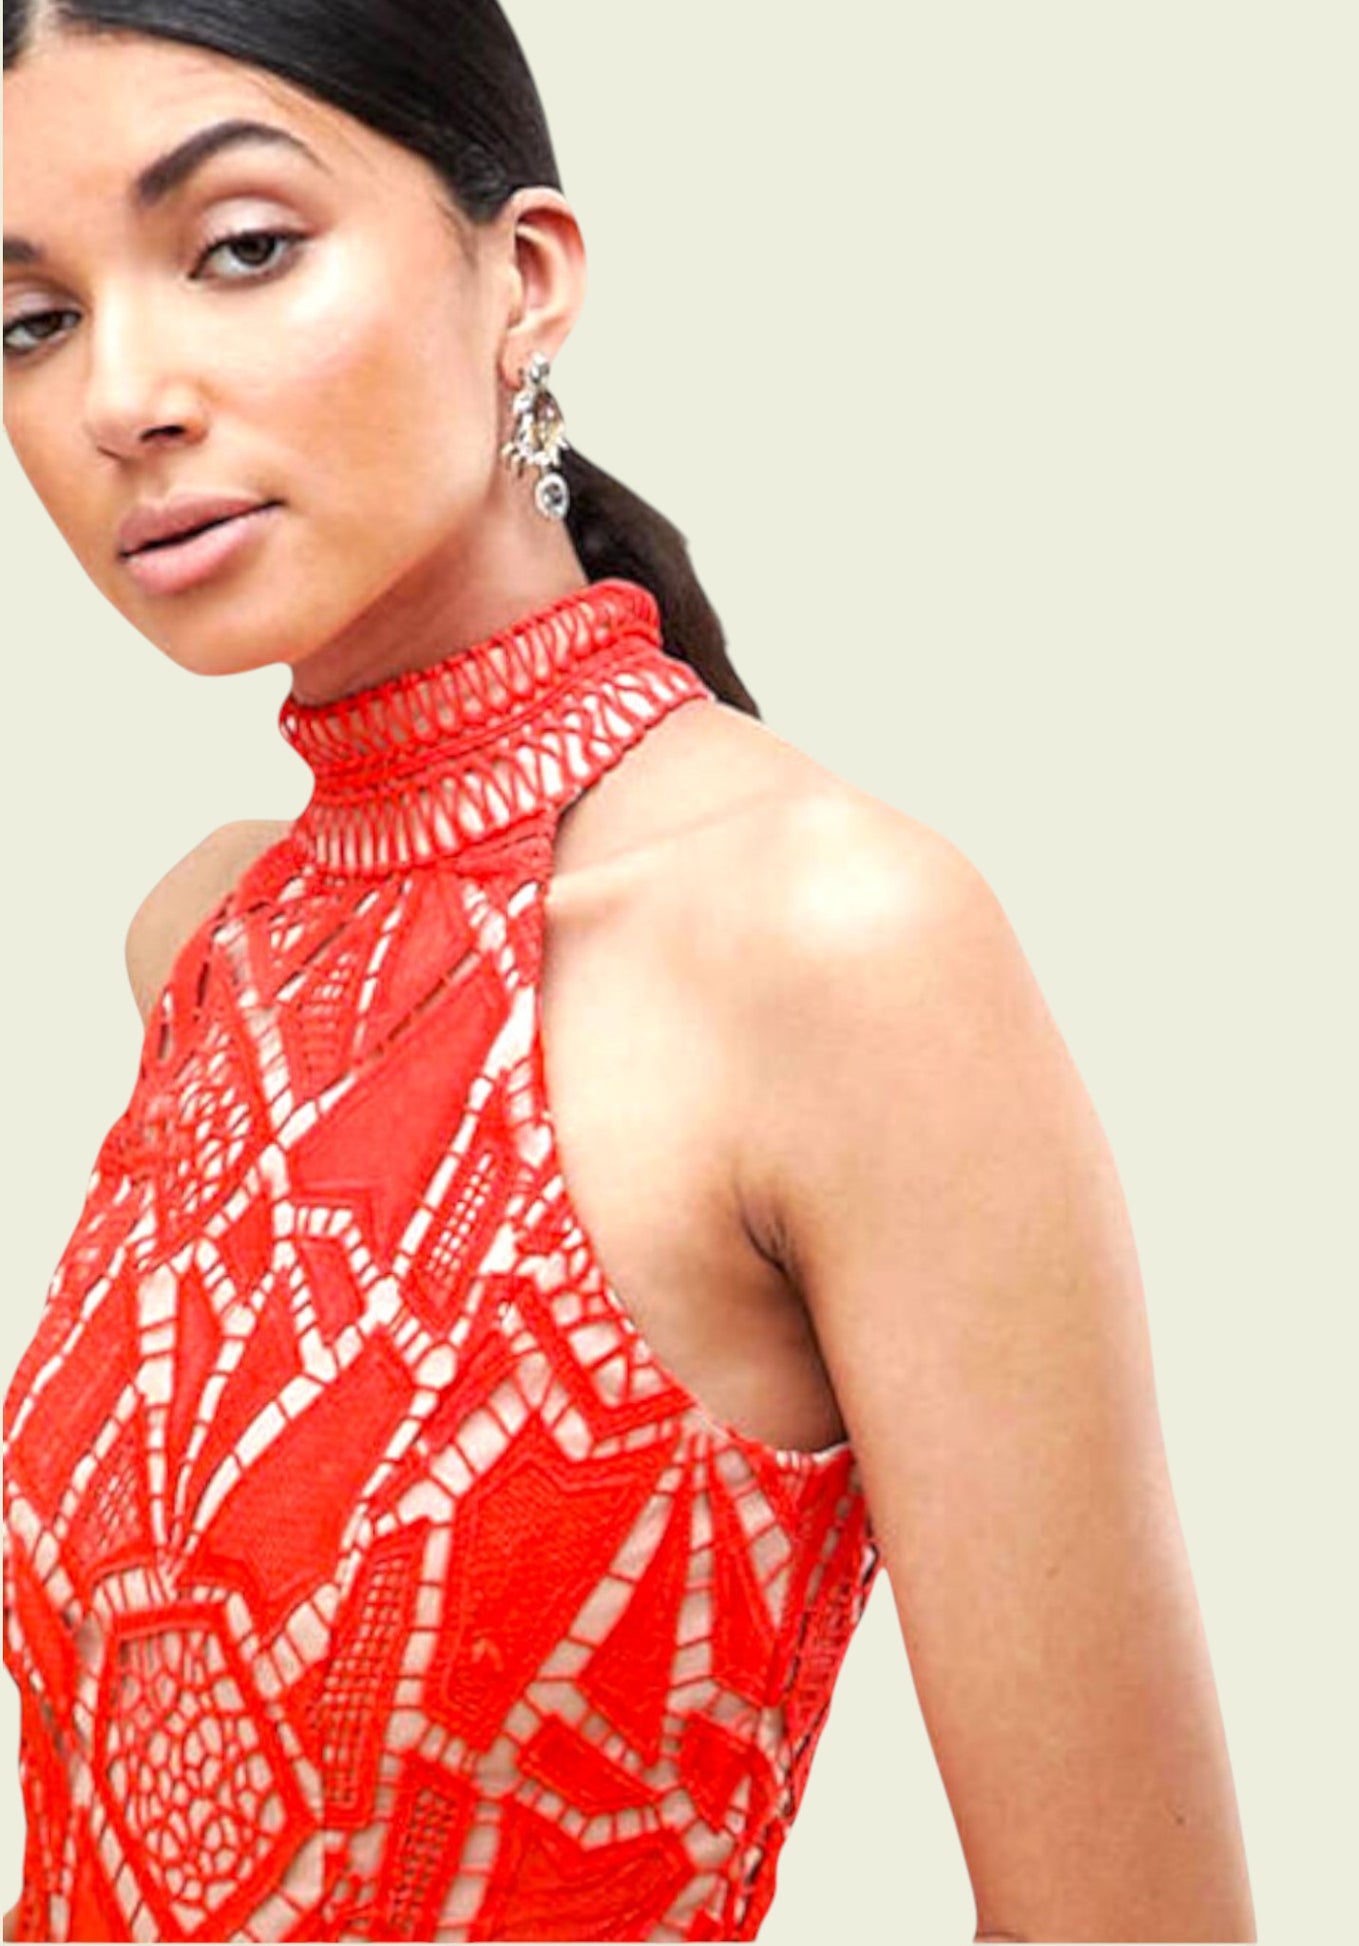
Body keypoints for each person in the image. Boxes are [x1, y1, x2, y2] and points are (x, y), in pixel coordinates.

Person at [0, 2, 1255, 1939]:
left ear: (525, 278)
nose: (123, 395)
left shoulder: (829, 944)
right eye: (34, 318)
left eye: (241, 247)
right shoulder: (208, 944)